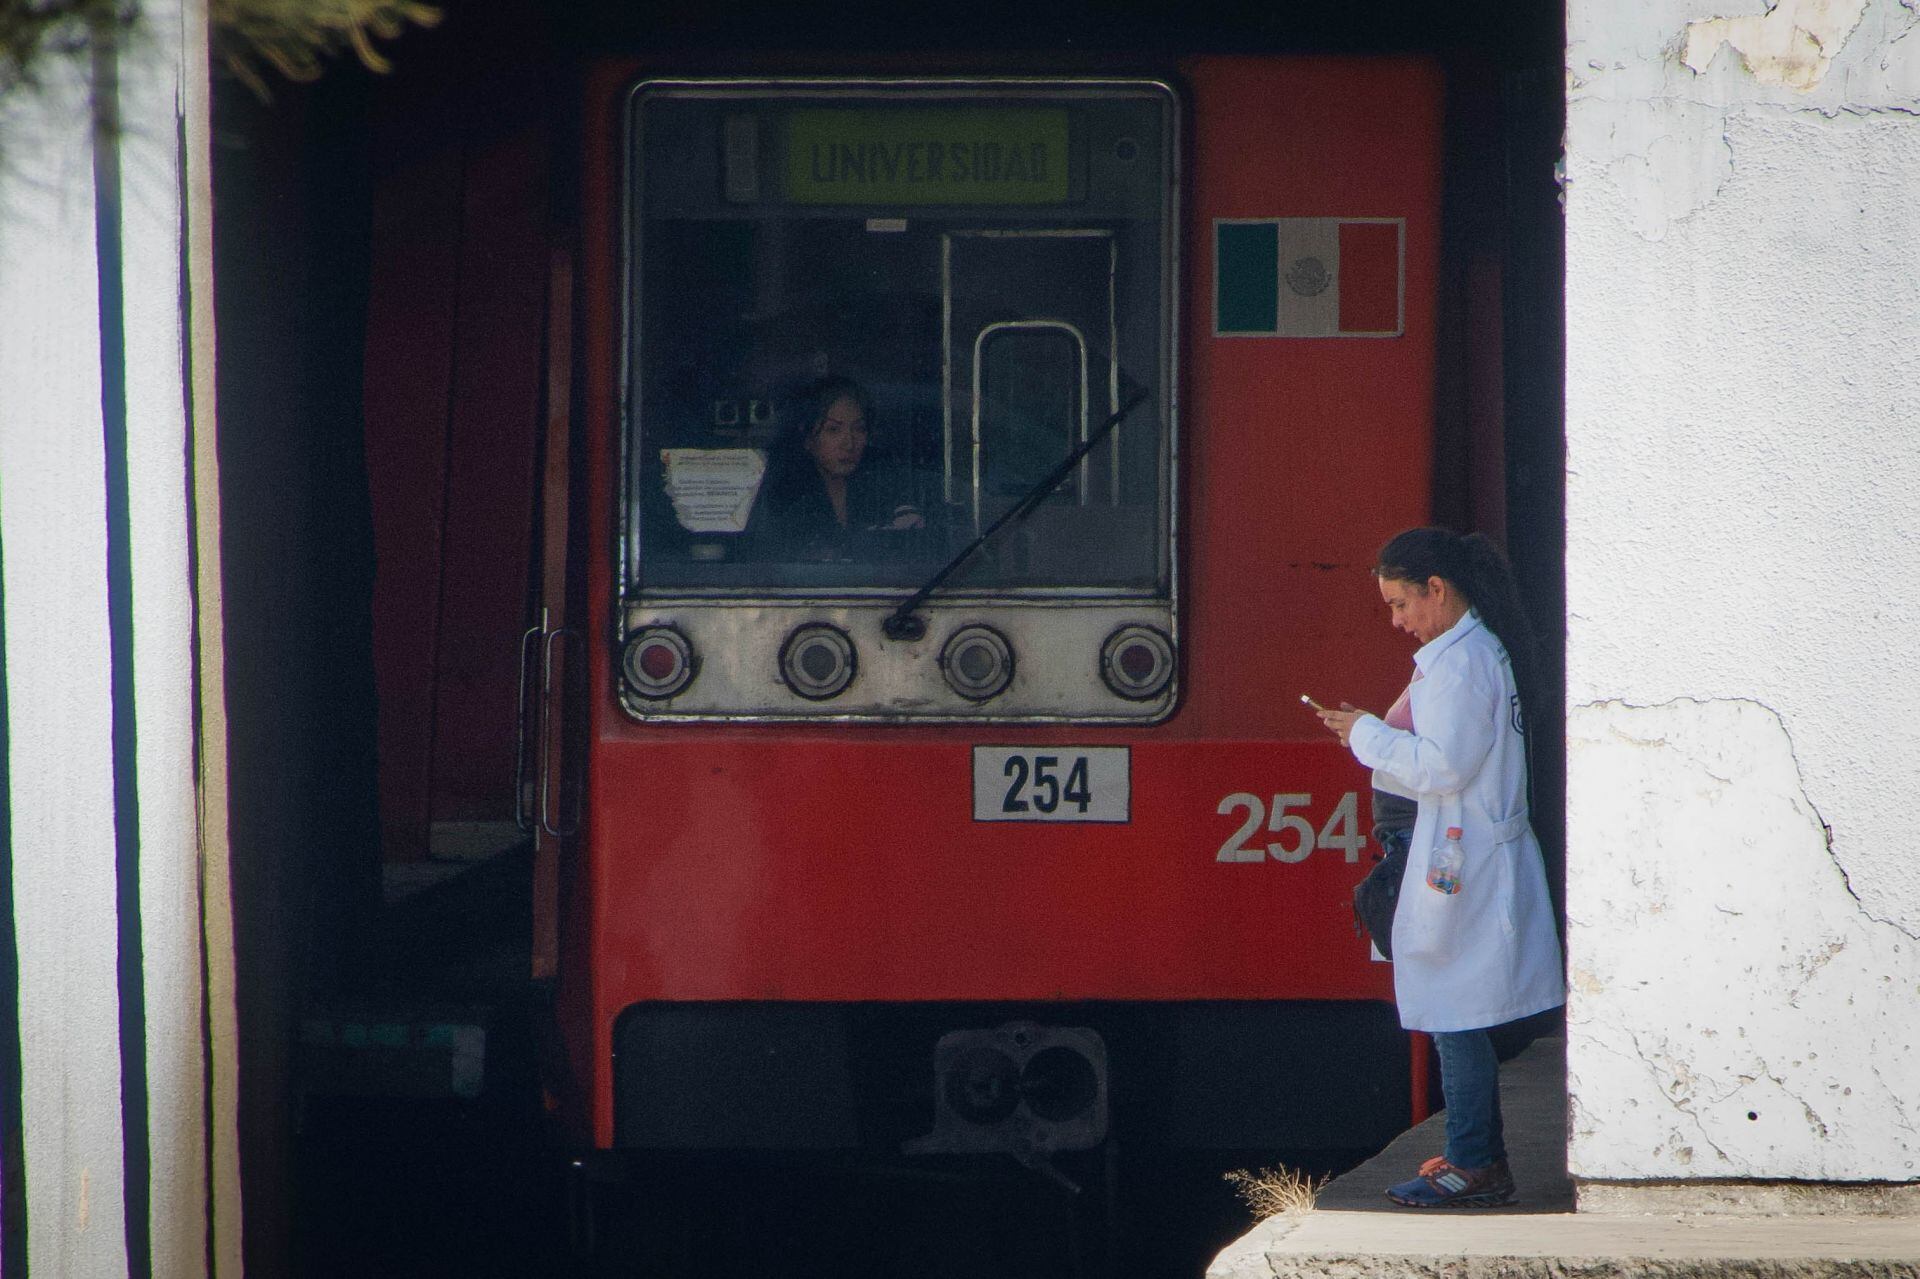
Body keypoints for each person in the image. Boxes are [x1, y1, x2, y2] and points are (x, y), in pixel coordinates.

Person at [1315, 527, 1563, 1209]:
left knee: (1455, 1010)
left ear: (1436, 589)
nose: (1397, 622)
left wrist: (1366, 734)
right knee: (1459, 1007)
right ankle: (1473, 1151)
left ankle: (1474, 1162)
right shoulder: (1473, 652)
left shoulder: (1460, 664)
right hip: (1467, 853)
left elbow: (1445, 765)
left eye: (1401, 604)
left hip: (1461, 860)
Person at [754, 376, 923, 561]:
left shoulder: (886, 487)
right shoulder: (781, 498)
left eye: (859, 429)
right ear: (808, 438)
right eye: (833, 430)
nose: (849, 443)